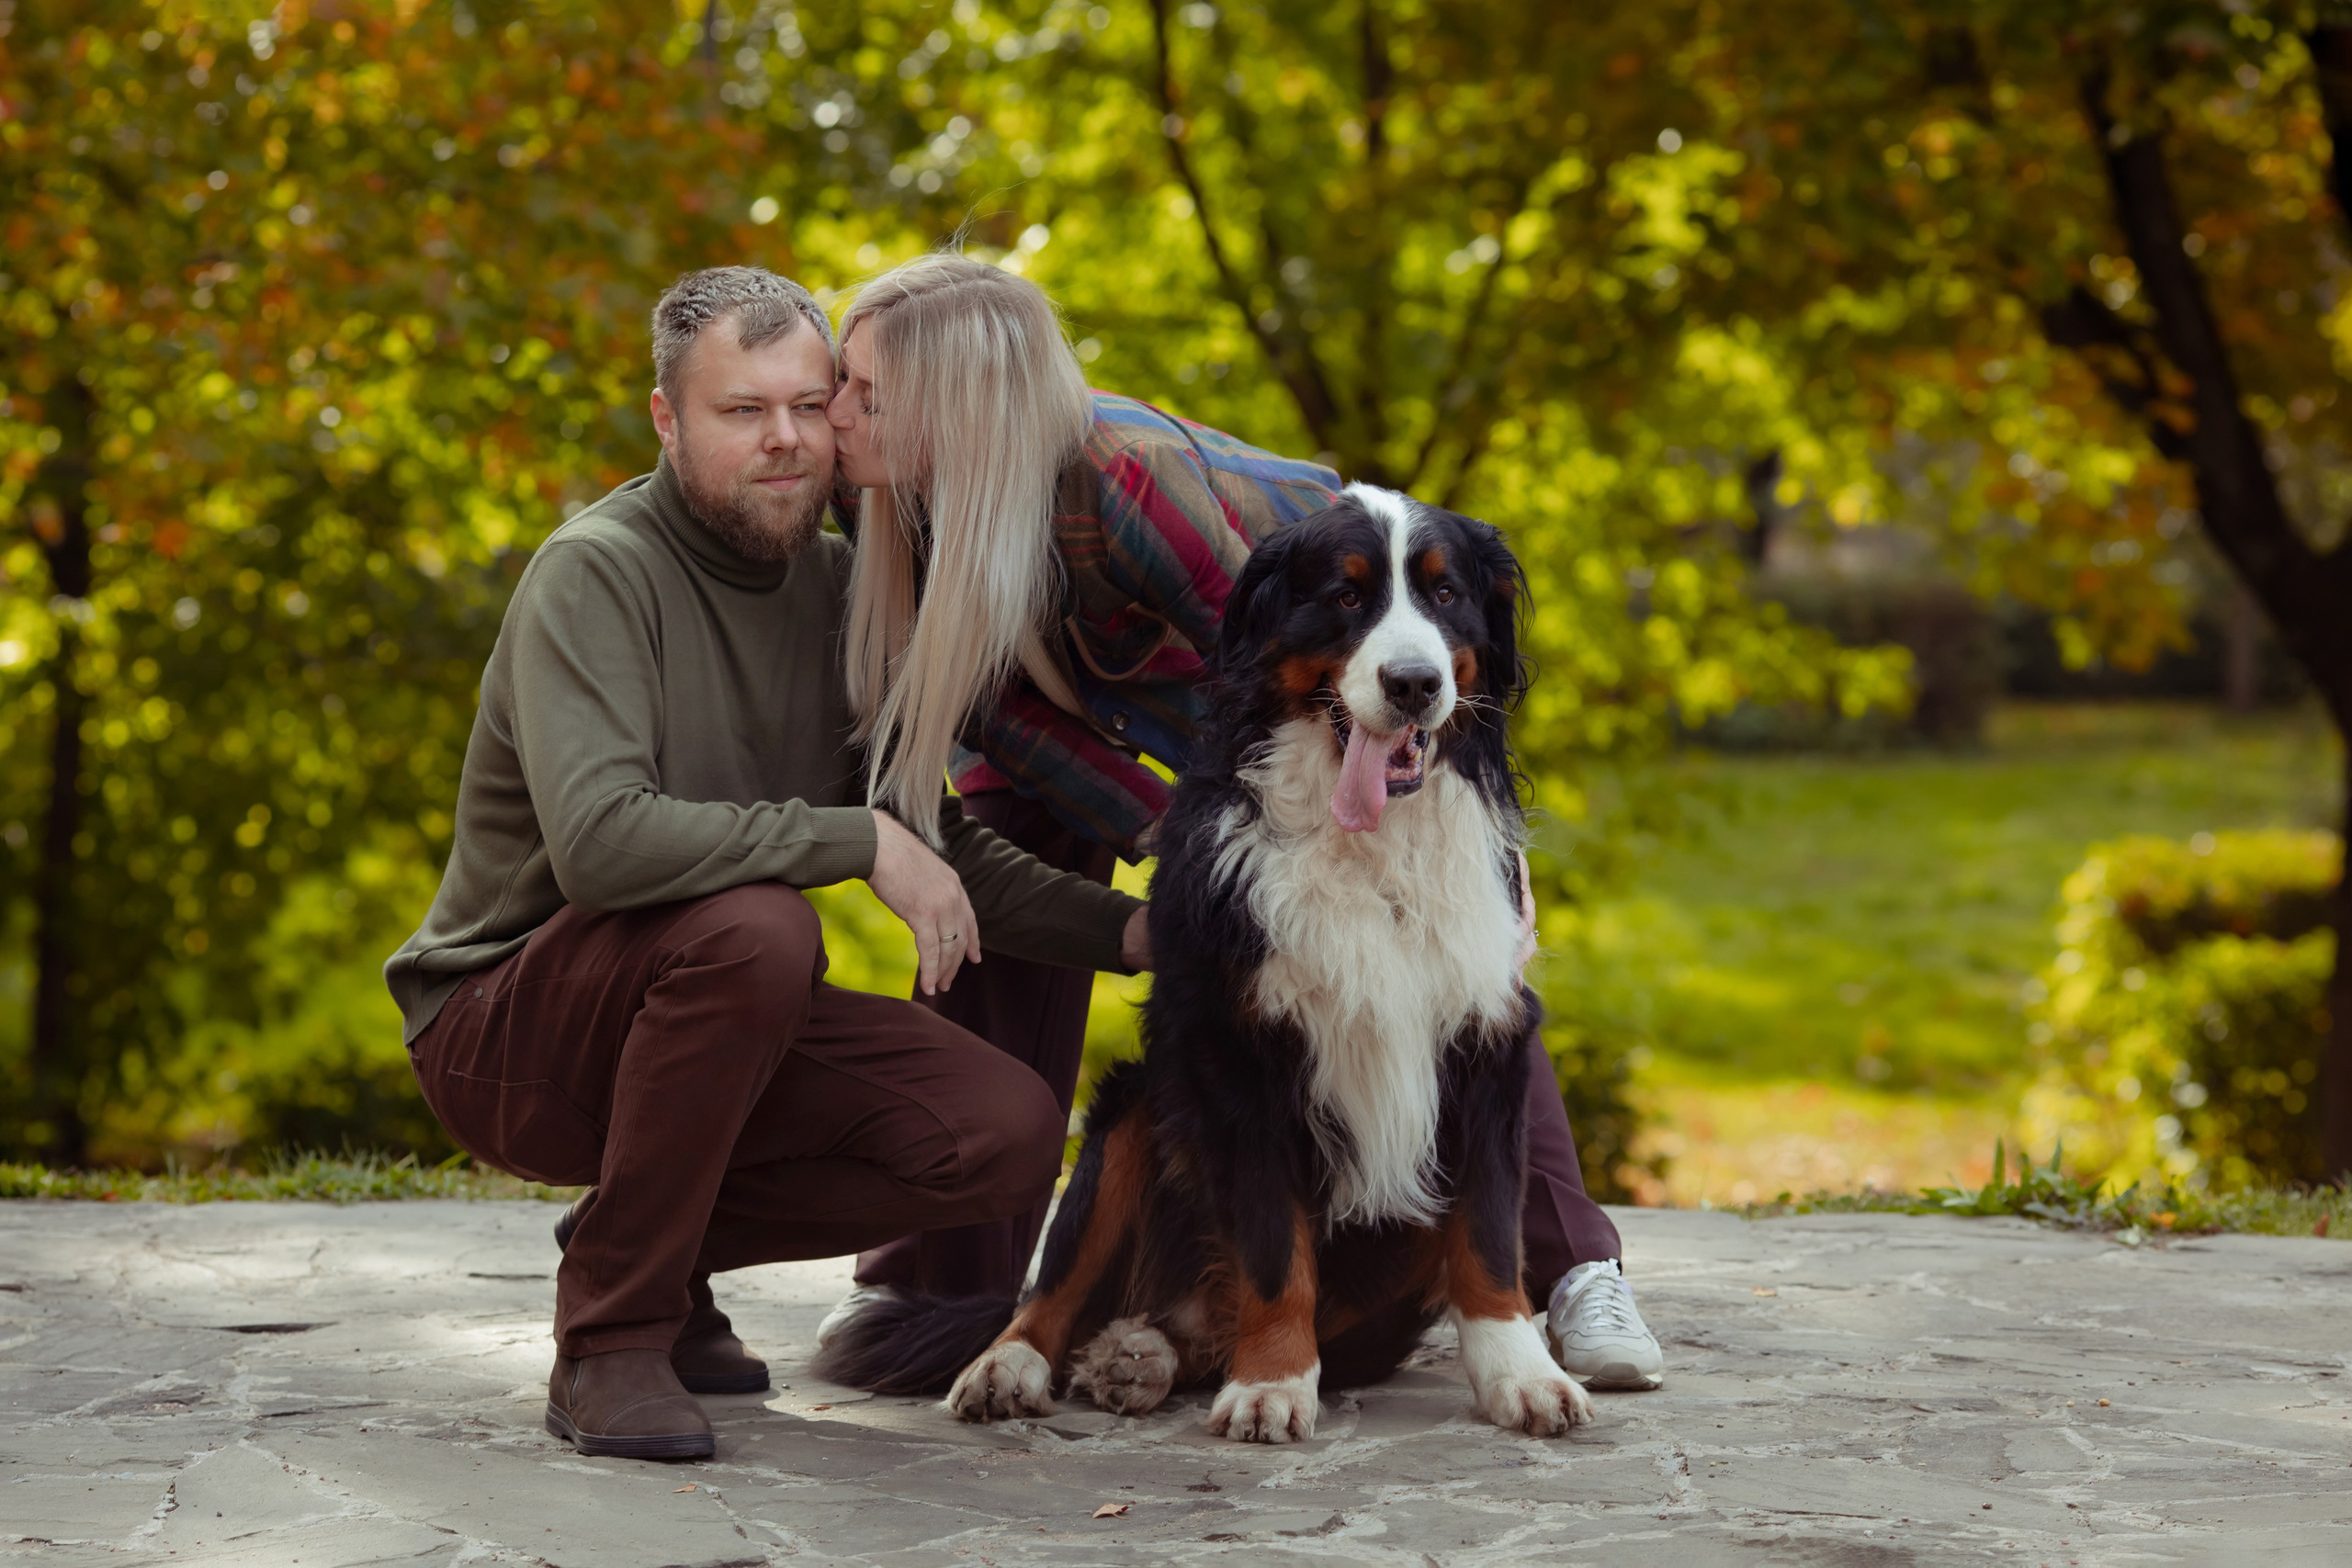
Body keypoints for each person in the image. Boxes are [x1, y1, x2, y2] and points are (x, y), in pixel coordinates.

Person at [816, 253, 1666, 1393]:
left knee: (1456, 967)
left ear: (953, 408)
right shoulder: (867, 485)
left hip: (1306, 689)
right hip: (1049, 715)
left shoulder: (1126, 484)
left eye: (864, 393)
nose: (834, 413)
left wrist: (1236, 854)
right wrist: (1155, 852)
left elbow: (1265, 673)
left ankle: (1572, 1272)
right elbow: (975, 711)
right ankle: (949, 1286)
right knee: (988, 901)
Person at [383, 266, 1150, 1461]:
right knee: (759, 925)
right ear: (668, 419)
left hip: (711, 1010)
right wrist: (854, 839)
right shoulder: (595, 572)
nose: (787, 438)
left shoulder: (846, 590)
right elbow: (603, 845)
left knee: (1000, 1127)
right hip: (504, 1024)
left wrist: (1151, 933)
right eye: (743, 411)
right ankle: (612, 1337)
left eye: (809, 401)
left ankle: (644, 1240)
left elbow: (943, 852)